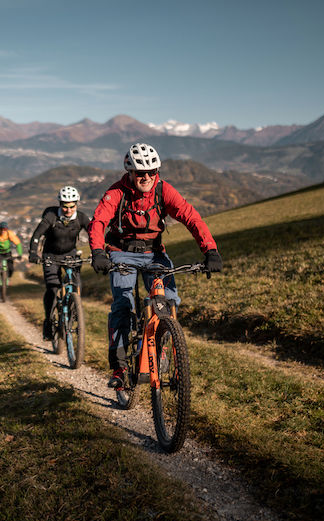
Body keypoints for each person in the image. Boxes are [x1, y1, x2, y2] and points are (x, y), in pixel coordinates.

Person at [88, 143, 223, 389]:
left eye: (152, 171)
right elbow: (98, 221)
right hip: (121, 254)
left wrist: (210, 250)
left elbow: (190, 217)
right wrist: (98, 252)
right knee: (123, 304)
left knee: (168, 301)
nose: (147, 177)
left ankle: (161, 353)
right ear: (130, 173)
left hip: (154, 254)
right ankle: (119, 367)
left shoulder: (163, 190)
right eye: (141, 173)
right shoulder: (116, 192)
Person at [28, 186, 91, 340]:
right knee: (52, 289)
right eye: (64, 206)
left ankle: (72, 312)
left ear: (76, 204)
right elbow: (37, 234)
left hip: (71, 255)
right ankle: (48, 321)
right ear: (59, 204)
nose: (68, 210)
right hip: (50, 256)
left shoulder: (81, 218)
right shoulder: (51, 216)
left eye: (71, 206)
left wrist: (99, 252)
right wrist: (33, 253)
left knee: (77, 286)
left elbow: (93, 234)